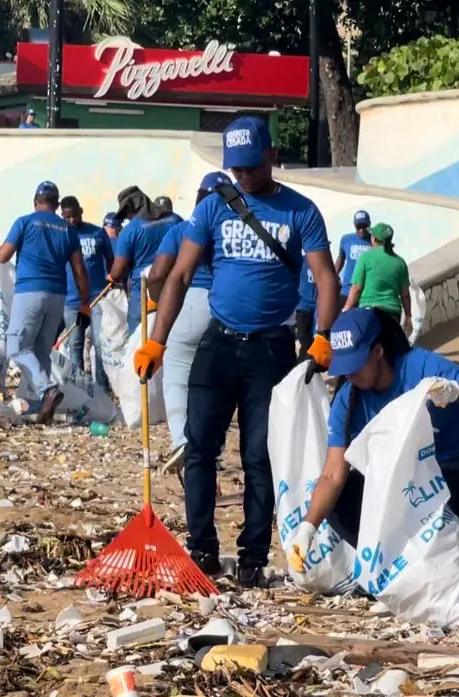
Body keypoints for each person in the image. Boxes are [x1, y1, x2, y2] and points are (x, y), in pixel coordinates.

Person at [133, 116, 340, 588]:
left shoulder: (300, 211)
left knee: (259, 457)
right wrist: (156, 341)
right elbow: (179, 276)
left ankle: (251, 556)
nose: (243, 176)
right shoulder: (213, 209)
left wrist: (322, 337)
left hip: (271, 351)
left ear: (271, 156)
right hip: (218, 343)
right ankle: (202, 549)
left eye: (251, 166)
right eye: (236, 168)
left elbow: (326, 277)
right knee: (200, 448)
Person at [286, 308, 459, 563]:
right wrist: (307, 529)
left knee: (403, 499)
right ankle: (393, 569)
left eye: (356, 366)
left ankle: (445, 554)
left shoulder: (421, 366)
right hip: (412, 481)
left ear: (378, 351)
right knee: (344, 498)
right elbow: (332, 474)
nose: (351, 375)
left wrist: (456, 391)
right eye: (345, 368)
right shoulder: (347, 401)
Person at [0, 180, 93, 424]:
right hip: (57, 296)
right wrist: (85, 302)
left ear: (36, 202)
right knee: (41, 352)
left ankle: (47, 389)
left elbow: (3, 255)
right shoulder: (68, 230)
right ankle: (41, 404)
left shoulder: (24, 222)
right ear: (56, 205)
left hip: (30, 292)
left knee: (18, 347)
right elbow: (79, 270)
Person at [147, 171, 230, 456]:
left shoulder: (183, 229)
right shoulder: (234, 229)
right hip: (225, 307)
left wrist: (158, 301)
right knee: (215, 381)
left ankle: (183, 439)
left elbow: (158, 273)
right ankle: (212, 447)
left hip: (187, 301)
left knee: (177, 375)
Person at [110, 188, 183, 334]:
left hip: (143, 291)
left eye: (126, 213)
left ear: (131, 207)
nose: (126, 218)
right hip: (173, 286)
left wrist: (111, 277)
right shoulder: (175, 219)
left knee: (138, 335)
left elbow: (118, 271)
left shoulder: (130, 231)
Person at [60, 195, 114, 389]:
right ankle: (79, 390)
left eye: (74, 215)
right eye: (67, 217)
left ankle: (101, 388)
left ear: (81, 211)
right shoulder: (62, 236)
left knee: (100, 344)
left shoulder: (98, 233)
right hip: (72, 301)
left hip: (97, 298)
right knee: (75, 345)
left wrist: (113, 282)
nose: (72, 220)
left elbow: (111, 261)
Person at [343, 222, 411, 335]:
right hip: (393, 313)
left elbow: (356, 288)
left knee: (373, 348)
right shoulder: (400, 262)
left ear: (374, 239)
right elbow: (405, 294)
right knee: (389, 348)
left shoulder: (365, 258)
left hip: (370, 313)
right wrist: (408, 316)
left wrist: (346, 309)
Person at [336, 210, 373, 301]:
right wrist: (334, 275)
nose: (362, 229)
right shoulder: (346, 239)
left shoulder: (374, 240)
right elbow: (340, 259)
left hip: (367, 292)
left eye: (365, 226)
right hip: (347, 290)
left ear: (369, 224)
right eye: (358, 226)